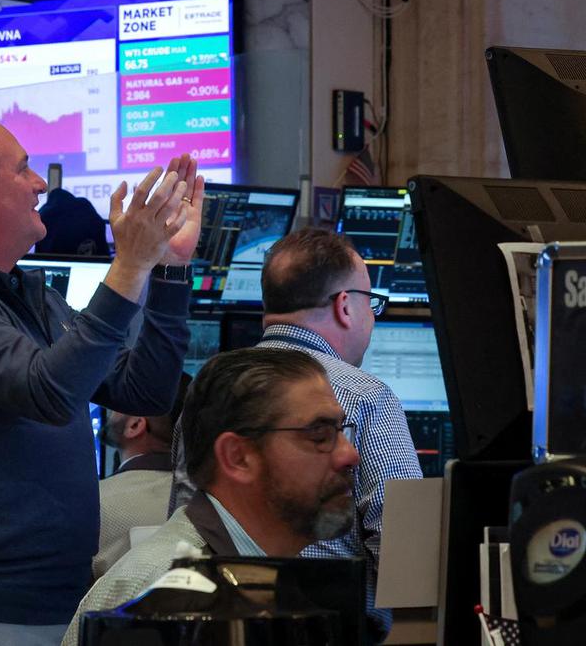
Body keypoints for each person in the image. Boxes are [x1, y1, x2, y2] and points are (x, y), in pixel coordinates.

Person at [0, 109, 203, 646]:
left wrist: (168, 267)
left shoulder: (30, 297)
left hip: (53, 603)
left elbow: (145, 392)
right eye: (23, 170)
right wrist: (126, 268)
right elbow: (50, 394)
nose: (38, 185)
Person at [168, 226, 422, 638]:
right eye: (371, 302)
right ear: (345, 305)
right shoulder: (365, 398)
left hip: (216, 629)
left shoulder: (209, 389)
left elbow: (185, 533)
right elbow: (405, 559)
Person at [62, 347, 360, 646]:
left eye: (341, 430)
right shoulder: (162, 596)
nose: (350, 454)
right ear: (238, 457)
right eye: (319, 434)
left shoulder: (256, 577)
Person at [93, 372, 192, 578]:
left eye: (121, 402)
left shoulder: (94, 504)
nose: (111, 408)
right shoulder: (210, 503)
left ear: (135, 425)